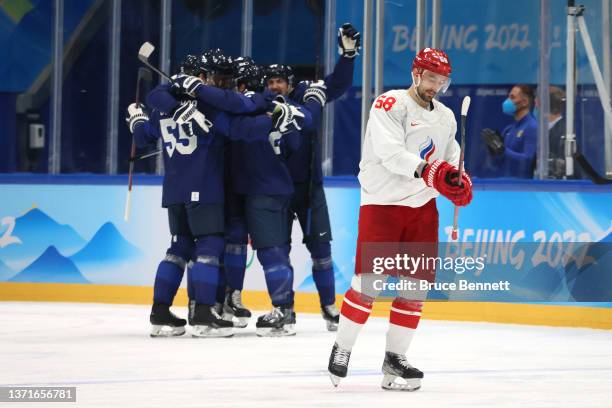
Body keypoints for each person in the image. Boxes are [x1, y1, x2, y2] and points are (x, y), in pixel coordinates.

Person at [126, 51, 306, 338]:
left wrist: (135, 118)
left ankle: (160, 313)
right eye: (215, 78)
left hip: (174, 190)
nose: (220, 84)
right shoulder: (205, 106)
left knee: (178, 249)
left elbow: (142, 135)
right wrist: (273, 120)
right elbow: (240, 129)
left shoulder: (165, 106)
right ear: (199, 78)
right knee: (209, 247)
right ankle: (202, 316)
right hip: (204, 187)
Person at [327, 47, 473, 391]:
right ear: (416, 74)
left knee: (415, 287)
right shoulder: (389, 104)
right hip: (383, 204)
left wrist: (457, 182)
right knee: (369, 284)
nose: (435, 85)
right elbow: (391, 154)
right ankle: (342, 347)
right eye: (431, 77)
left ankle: (395, 359)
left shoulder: (447, 117)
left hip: (422, 208)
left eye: (442, 80)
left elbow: (450, 161)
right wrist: (431, 172)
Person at [263, 22, 360, 331]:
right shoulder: (259, 103)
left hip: (309, 187)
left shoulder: (307, 95)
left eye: (279, 81)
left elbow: (338, 84)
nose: (274, 86)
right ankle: (284, 310)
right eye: (271, 82)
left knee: (321, 250)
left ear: (290, 84)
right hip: (274, 189)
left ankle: (330, 308)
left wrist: (348, 56)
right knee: (279, 250)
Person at [221, 57, 325, 336]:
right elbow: (296, 137)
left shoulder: (244, 108)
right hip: (270, 186)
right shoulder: (277, 106)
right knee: (265, 249)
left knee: (271, 251)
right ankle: (238, 301)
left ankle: (283, 311)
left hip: (262, 189)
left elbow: (232, 130)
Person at [481, 84, 538, 178]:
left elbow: (528, 159)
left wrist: (503, 150)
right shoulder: (509, 129)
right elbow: (497, 164)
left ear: (525, 102)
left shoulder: (532, 127)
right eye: (508, 97)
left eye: (512, 97)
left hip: (524, 187)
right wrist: (493, 151)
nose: (508, 101)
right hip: (505, 184)